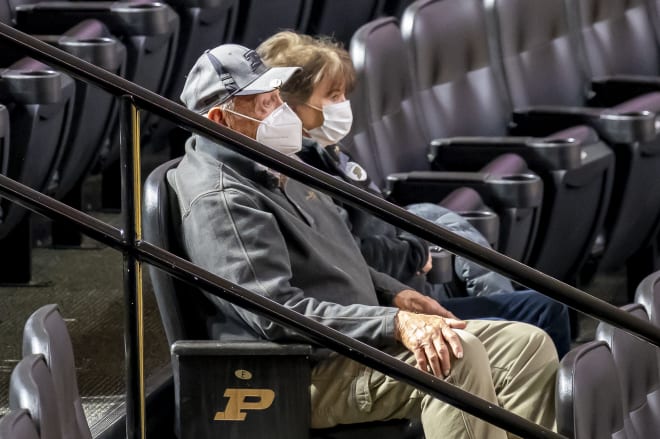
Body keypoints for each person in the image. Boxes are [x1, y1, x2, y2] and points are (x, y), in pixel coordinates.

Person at [169, 43, 558, 438]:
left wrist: (394, 293)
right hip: (301, 371)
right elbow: (276, 314)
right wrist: (395, 323)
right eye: (265, 104)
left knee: (527, 345)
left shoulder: (271, 159)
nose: (281, 112)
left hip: (353, 340)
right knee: (454, 360)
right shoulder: (221, 200)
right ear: (220, 119)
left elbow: (342, 250)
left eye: (277, 98)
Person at [256, 31, 571, 358]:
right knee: (524, 334)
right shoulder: (298, 171)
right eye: (332, 96)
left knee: (545, 307)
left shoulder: (331, 154)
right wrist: (414, 252)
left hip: (411, 288)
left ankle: (558, 406)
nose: (342, 106)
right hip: (380, 312)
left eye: (343, 95)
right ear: (289, 105)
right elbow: (346, 256)